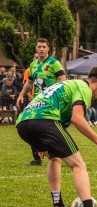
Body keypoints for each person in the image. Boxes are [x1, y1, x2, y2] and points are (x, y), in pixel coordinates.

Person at [16, 66, 97, 207]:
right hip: (44, 120)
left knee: (55, 158)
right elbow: (77, 118)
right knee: (78, 165)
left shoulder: (68, 85)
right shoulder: (84, 87)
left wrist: (40, 143)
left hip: (23, 123)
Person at [16, 38, 66, 166]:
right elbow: (29, 83)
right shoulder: (33, 65)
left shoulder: (54, 63)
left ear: (48, 49)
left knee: (53, 129)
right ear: (36, 49)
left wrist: (61, 98)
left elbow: (63, 81)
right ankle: (37, 157)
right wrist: (21, 94)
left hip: (52, 101)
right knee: (29, 126)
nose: (42, 49)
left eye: (44, 46)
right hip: (37, 101)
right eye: (39, 47)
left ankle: (60, 154)